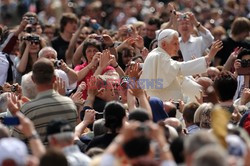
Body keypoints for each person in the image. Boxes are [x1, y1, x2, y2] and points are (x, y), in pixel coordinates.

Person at [140, 29, 222, 101]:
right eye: (175, 44)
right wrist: (208, 57)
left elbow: (181, 79)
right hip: (163, 106)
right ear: (164, 44)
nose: (178, 47)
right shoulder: (159, 56)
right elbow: (180, 68)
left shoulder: (157, 56)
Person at [11, 58, 77, 145]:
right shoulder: (70, 103)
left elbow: (15, 140)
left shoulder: (27, 109)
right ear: (54, 79)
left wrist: (13, 115)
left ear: (33, 79)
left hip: (38, 156)